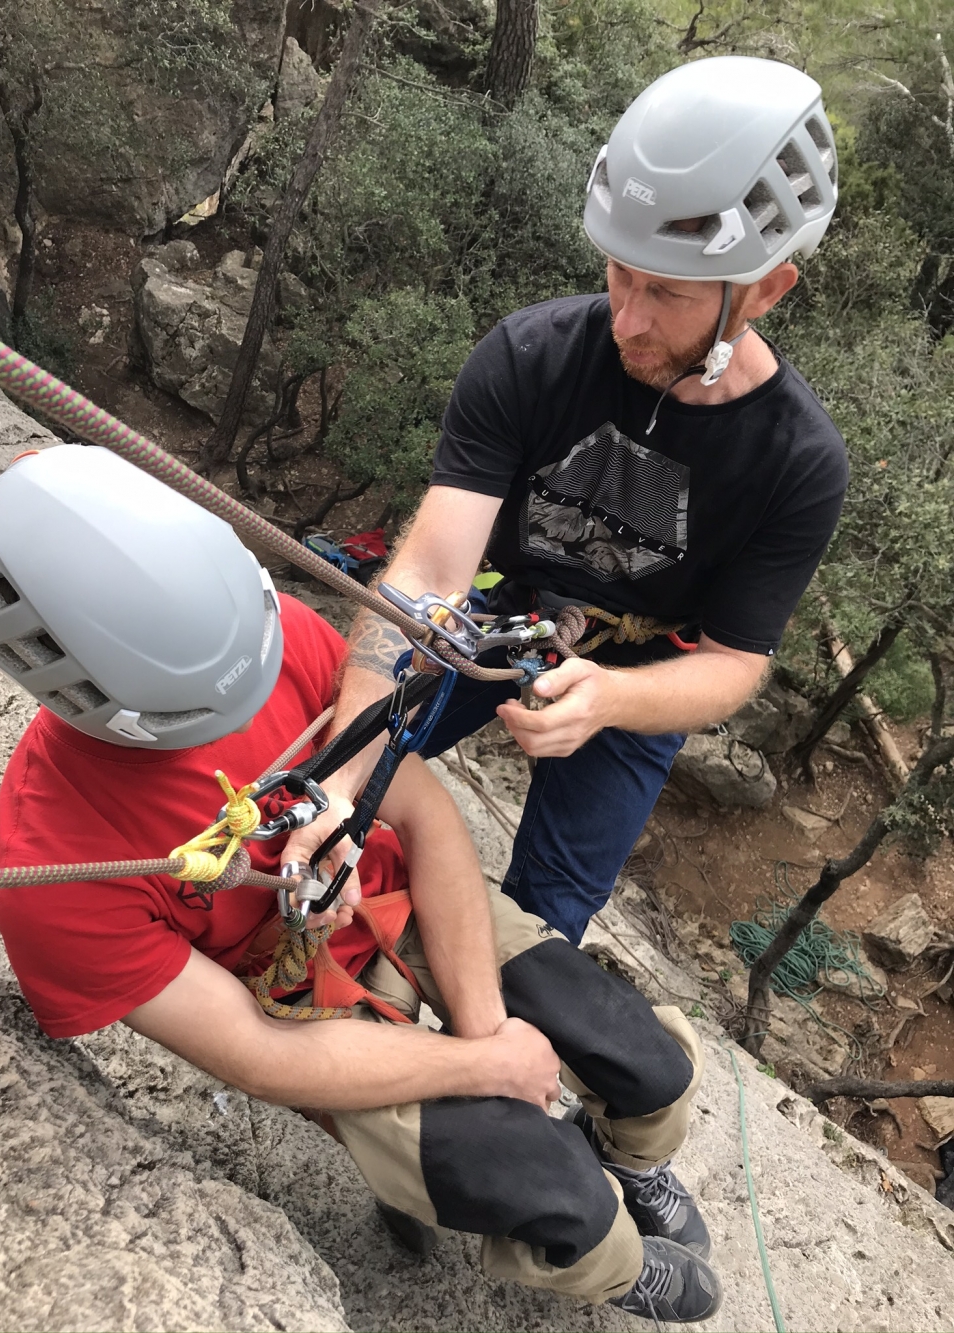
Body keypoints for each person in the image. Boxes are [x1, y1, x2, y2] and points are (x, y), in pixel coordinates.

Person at [0, 444, 721, 1324]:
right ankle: (619, 1267)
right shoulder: (48, 868)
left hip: (396, 891)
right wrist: (480, 1065)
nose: (242, 713)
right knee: (548, 1187)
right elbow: (256, 1051)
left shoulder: (269, 631)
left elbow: (430, 824)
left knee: (641, 1055)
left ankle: (636, 1160)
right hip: (291, 1000)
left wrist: (493, 1037)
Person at [286, 54, 850, 947]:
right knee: (317, 772)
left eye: (665, 292)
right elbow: (432, 569)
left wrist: (611, 703)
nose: (626, 318)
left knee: (544, 919)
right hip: (506, 610)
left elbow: (735, 662)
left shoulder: (797, 462)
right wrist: (340, 786)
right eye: (619, 272)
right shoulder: (533, 356)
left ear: (767, 289)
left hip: (640, 668)